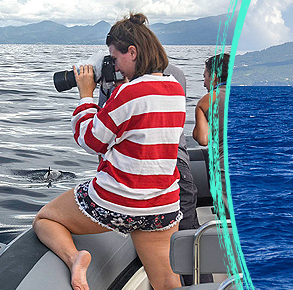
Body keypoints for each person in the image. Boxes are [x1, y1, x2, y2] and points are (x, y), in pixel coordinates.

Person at [33, 13, 184, 290]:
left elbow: (90, 140)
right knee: (166, 282)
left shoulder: (129, 92)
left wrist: (86, 96)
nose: (114, 66)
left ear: (133, 52)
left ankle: (75, 258)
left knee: (44, 219)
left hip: (118, 201)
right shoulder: (175, 89)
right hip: (162, 204)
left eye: (114, 58)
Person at [193, 53, 231, 146]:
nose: (204, 84)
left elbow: (203, 140)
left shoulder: (209, 99)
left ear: (214, 76)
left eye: (205, 77)